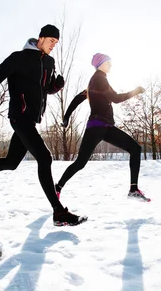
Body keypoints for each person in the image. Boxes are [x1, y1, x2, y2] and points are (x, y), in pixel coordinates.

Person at [0, 24, 86, 226]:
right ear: (41, 38)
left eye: (56, 42)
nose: (53, 45)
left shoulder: (49, 62)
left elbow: (44, 89)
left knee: (12, 163)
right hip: (19, 117)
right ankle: (58, 212)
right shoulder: (18, 58)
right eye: (51, 41)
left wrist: (57, 86)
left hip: (31, 120)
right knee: (45, 158)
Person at [55, 53, 150, 202]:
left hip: (106, 127)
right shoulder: (99, 79)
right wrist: (135, 91)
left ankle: (133, 189)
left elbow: (79, 98)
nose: (111, 65)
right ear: (100, 64)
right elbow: (116, 99)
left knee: (135, 149)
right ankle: (57, 188)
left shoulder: (96, 81)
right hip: (97, 127)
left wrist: (66, 116)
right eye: (108, 63)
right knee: (80, 162)